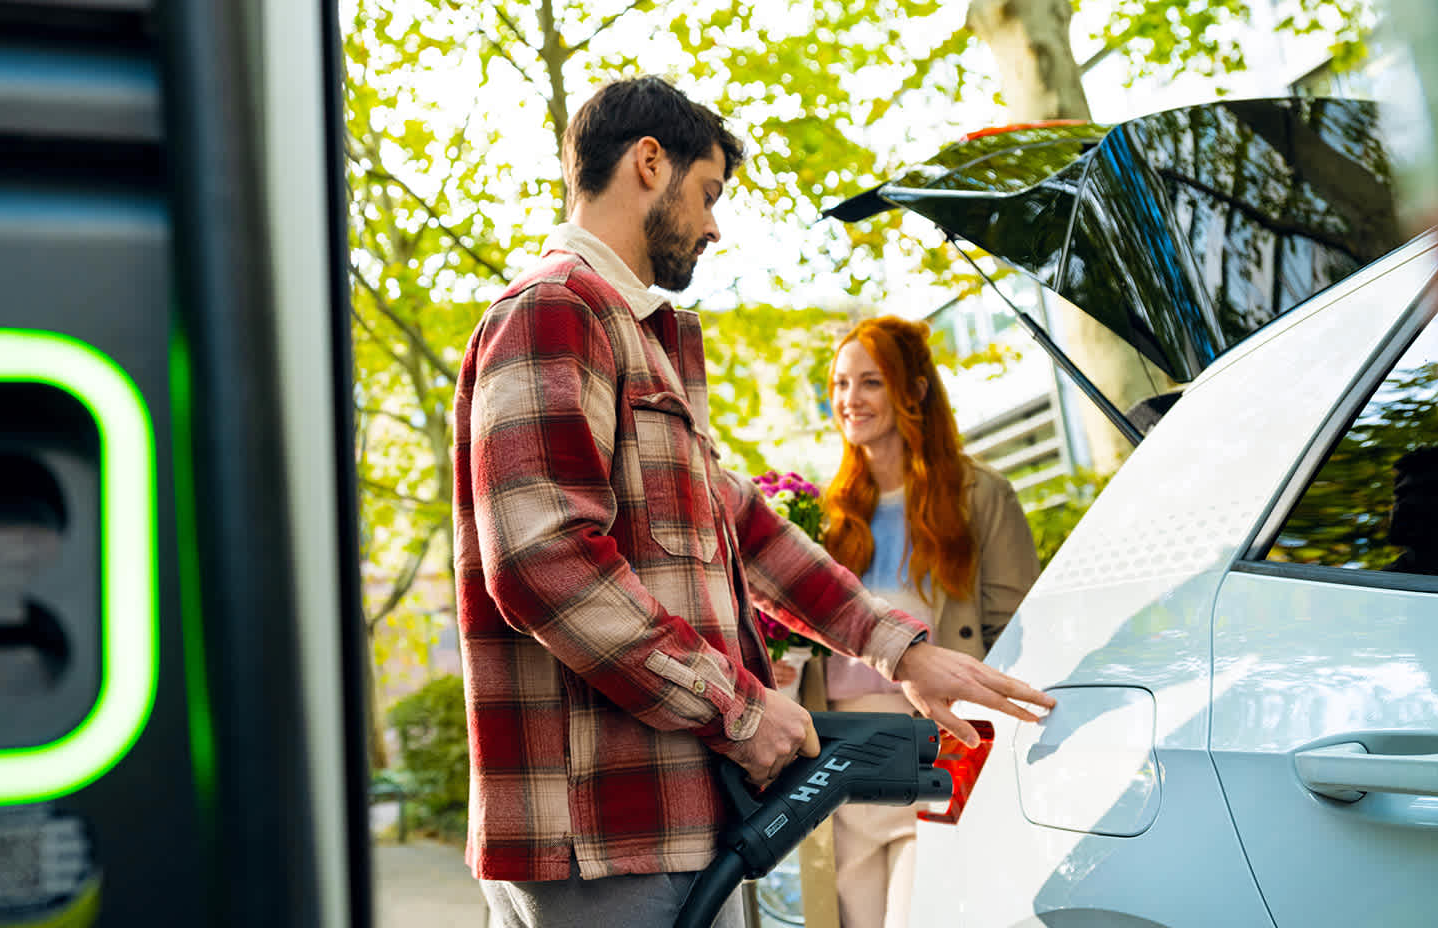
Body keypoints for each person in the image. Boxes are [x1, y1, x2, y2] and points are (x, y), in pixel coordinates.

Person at [452, 75, 1055, 928]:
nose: (713, 225)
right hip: (602, 841)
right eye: (708, 193)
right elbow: (542, 563)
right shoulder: (555, 310)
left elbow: (742, 526)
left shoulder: (641, 341)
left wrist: (901, 651)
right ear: (648, 164)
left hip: (668, 829)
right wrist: (737, 711)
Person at [809, 315, 1043, 928]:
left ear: (913, 390)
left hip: (932, 751)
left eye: (870, 382)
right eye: (839, 384)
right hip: (839, 758)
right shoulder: (827, 518)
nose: (849, 400)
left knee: (919, 915)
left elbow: (1014, 634)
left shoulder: (980, 496)